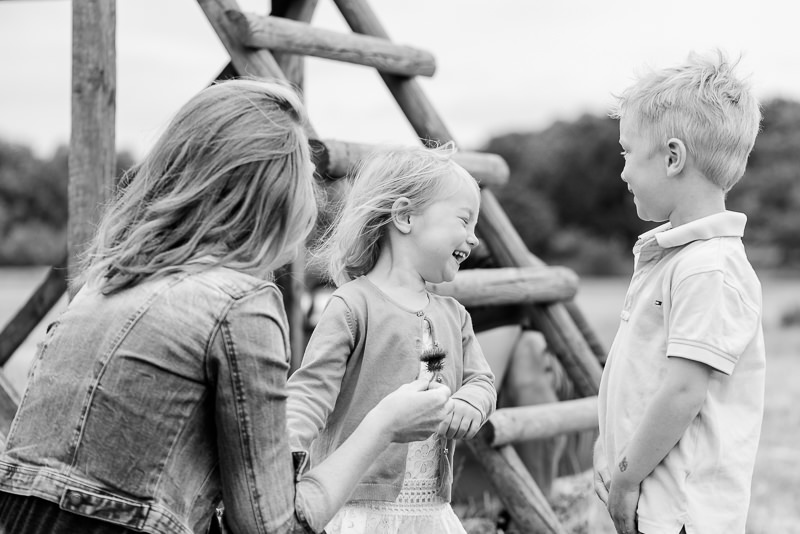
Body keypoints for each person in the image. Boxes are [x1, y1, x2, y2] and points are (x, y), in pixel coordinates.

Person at [0, 79, 454, 534]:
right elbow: (269, 527)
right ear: (273, 192)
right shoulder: (241, 305)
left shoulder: (100, 283)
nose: (311, 197)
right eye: (304, 175)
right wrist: (384, 425)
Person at [593, 50, 765, 534]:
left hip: (682, 511)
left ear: (672, 157)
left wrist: (626, 480)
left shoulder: (708, 268)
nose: (623, 171)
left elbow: (684, 391)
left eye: (627, 152)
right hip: (657, 500)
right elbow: (641, 376)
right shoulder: (674, 258)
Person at [286, 144, 497, 534]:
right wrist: (284, 454)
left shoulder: (454, 315)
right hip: (357, 504)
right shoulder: (352, 305)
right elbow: (310, 391)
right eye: (464, 221)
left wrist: (471, 401)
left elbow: (480, 379)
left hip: (430, 507)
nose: (474, 239)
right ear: (404, 216)